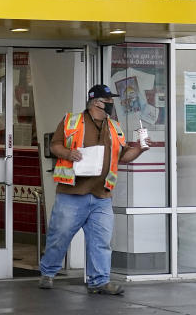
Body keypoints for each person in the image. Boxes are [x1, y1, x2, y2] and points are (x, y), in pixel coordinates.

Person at [38, 84, 150, 295]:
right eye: (108, 101)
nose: (111, 104)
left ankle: (99, 281)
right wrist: (69, 153)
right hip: (72, 193)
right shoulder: (72, 121)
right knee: (59, 236)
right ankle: (48, 273)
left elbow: (122, 156)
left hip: (102, 195)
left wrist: (140, 150)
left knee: (101, 241)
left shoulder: (114, 127)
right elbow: (55, 145)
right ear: (96, 102)